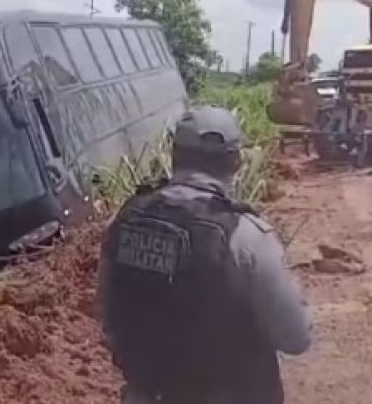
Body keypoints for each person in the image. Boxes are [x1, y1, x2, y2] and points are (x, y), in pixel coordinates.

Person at [96, 105, 312, 404]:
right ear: (235, 162)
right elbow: (296, 338)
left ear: (173, 155)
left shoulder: (124, 222)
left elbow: (110, 318)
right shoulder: (247, 236)